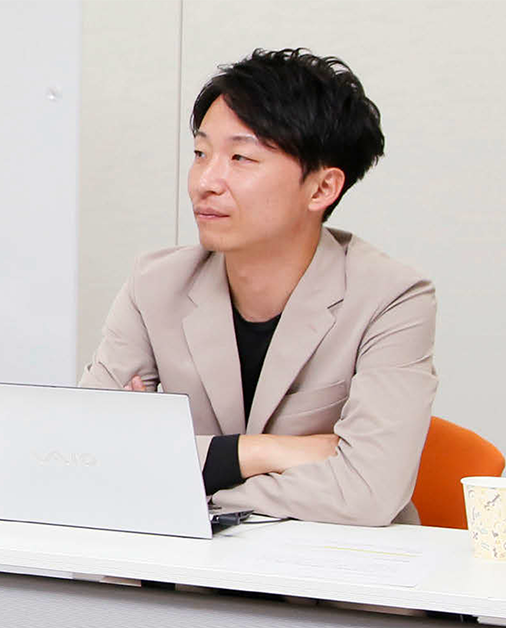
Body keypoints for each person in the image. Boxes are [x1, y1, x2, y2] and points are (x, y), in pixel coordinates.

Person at [80, 48, 437, 526]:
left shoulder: (391, 298)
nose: (206, 182)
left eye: (241, 158)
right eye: (201, 154)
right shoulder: (155, 284)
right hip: (190, 566)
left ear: (322, 189)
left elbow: (367, 492)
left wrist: (170, 470)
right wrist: (261, 452)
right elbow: (85, 455)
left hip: (332, 566)